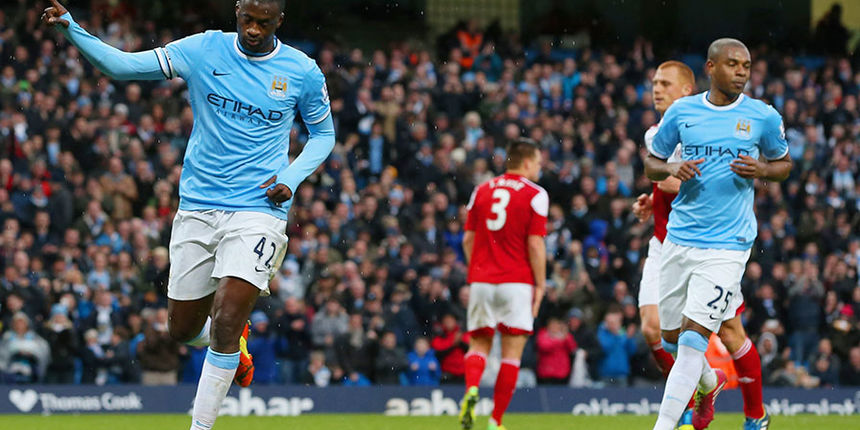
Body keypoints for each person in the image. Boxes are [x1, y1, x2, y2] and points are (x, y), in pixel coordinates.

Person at [43, 0, 335, 427]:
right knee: (181, 329)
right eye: (247, 20)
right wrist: (73, 28)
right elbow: (122, 67)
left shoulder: (302, 70)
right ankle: (236, 347)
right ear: (237, 13)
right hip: (198, 205)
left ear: (280, 22)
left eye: (264, 23)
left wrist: (291, 177)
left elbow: (323, 134)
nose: (253, 30)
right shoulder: (203, 50)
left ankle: (201, 424)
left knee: (229, 315)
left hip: (260, 208)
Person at [646, 38, 791, 430]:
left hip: (728, 247)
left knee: (695, 339)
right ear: (711, 67)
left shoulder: (762, 116)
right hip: (679, 240)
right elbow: (651, 164)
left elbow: (784, 164)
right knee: (673, 338)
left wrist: (762, 170)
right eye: (733, 64)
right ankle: (709, 383)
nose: (742, 71)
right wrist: (671, 169)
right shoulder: (683, 112)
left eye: (746, 65)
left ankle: (664, 426)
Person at [458, 138, 548, 430]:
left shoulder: (481, 190)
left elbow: (467, 239)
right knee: (511, 353)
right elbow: (535, 245)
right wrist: (541, 284)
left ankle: (472, 389)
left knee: (479, 343)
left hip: (482, 280)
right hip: (517, 282)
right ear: (525, 163)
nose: (539, 167)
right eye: (537, 162)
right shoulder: (536, 194)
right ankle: (495, 421)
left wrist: (479, 268)